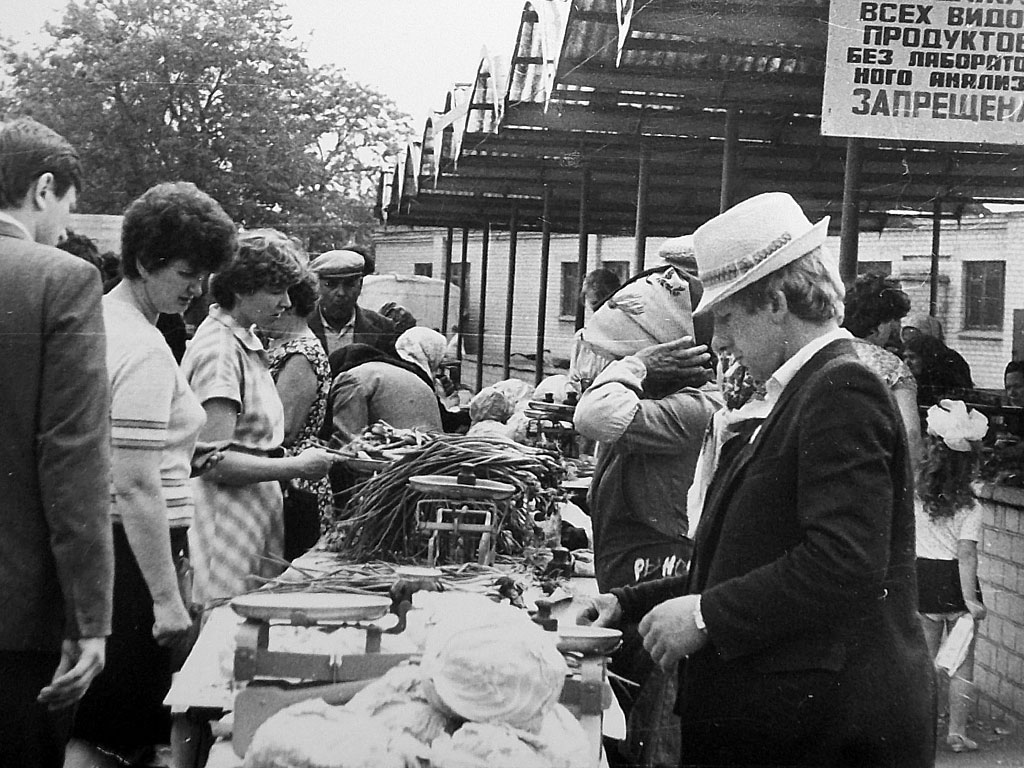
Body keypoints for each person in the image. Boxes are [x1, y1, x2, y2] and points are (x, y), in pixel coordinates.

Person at [579, 192, 935, 766]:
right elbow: (743, 559)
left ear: (775, 301)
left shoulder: (842, 390)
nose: (718, 341)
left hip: (826, 731)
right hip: (796, 720)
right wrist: (627, 602)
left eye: (725, 318)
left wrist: (703, 616)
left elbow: (844, 561)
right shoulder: (804, 391)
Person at [68, 182, 236, 767]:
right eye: (188, 273)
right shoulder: (140, 346)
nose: (198, 289)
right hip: (136, 555)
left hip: (106, 546)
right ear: (145, 261)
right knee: (115, 729)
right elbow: (135, 483)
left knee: (95, 720)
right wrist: (168, 599)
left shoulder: (104, 321)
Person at [0, 117, 114, 768]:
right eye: (68, 203)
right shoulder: (59, 280)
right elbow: (72, 462)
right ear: (44, 188)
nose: (65, 222)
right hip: (18, 622)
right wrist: (91, 619)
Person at [574, 322, 719, 768]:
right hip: (634, 597)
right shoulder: (655, 405)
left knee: (650, 735)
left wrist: (636, 365)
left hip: (660, 599)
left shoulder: (694, 407)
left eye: (616, 358)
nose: (604, 370)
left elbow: (593, 414)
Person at [182, 229, 336, 606]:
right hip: (224, 522)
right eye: (275, 290)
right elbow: (215, 463)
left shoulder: (242, 340)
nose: (286, 301)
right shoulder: (220, 351)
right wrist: (296, 466)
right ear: (241, 289)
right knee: (222, 627)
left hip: (250, 516)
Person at [915, 400, 989, 754]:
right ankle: (957, 733)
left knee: (925, 663)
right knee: (962, 663)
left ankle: (923, 733)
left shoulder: (916, 495)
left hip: (922, 577)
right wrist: (970, 599)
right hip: (956, 583)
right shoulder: (971, 505)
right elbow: (966, 554)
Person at [266, 270, 335, 545]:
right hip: (289, 469)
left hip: (296, 477)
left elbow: (286, 427)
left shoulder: (301, 353)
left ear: (290, 305)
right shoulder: (283, 344)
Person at [843, 272, 924, 467]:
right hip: (873, 473)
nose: (895, 329)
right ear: (878, 325)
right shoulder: (892, 367)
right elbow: (910, 434)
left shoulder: (823, 355)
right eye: (892, 321)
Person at [328, 328, 447, 443]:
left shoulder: (352, 378)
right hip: (433, 455)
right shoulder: (410, 376)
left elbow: (347, 443)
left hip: (396, 460)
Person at [307, 249, 397, 372]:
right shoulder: (300, 325)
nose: (341, 293)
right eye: (331, 285)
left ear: (360, 285)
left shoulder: (383, 327)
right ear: (317, 286)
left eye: (349, 284)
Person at [568, 268, 621, 393]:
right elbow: (573, 379)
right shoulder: (582, 338)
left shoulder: (625, 336)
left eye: (601, 303)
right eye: (593, 304)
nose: (598, 311)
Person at [903, 333, 974, 408]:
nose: (906, 362)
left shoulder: (945, 376)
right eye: (905, 357)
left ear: (927, 358)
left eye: (912, 357)